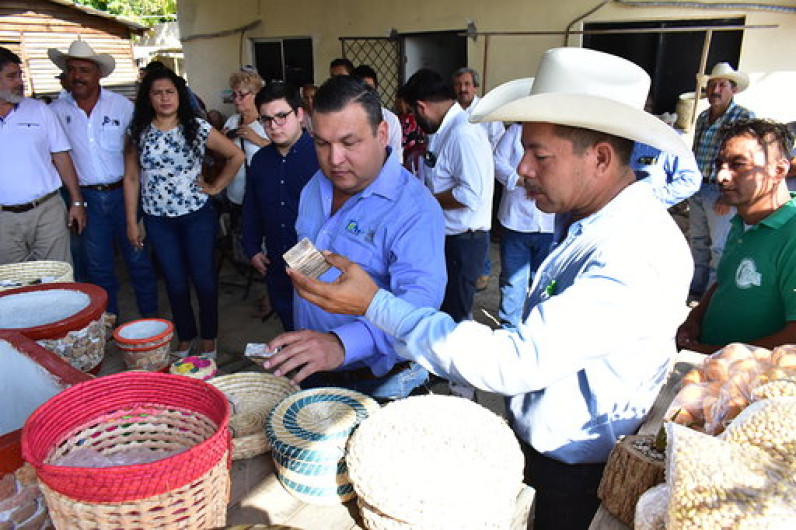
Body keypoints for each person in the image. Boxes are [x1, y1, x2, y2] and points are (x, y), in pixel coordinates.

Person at [282, 48, 693, 529]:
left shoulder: (631, 251)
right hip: (552, 452)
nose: (521, 169)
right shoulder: (587, 223)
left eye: (539, 155)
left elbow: (512, 361)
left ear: (600, 158)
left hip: (578, 471)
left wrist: (373, 303)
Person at [262, 75, 446, 401]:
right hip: (313, 360)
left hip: (378, 382)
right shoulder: (314, 187)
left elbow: (419, 306)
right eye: (321, 143)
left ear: (382, 134)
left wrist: (340, 343)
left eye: (349, 143)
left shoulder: (414, 210)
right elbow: (309, 255)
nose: (334, 160)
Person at [124, 67, 244, 358]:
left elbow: (235, 155)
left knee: (203, 279)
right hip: (157, 219)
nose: (164, 98)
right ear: (148, 98)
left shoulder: (197, 127)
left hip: (196, 216)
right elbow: (131, 178)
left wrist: (216, 187)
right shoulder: (137, 131)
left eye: (170, 91)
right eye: (157, 92)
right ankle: (186, 335)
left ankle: (208, 338)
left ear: (179, 94)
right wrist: (131, 220)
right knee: (175, 282)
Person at [48, 40, 158, 320]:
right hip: (87, 199)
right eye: (72, 69)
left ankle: (151, 322)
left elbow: (138, 153)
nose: (77, 76)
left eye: (84, 70)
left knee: (139, 261)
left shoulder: (121, 106)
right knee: (99, 268)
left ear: (98, 74)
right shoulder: (56, 112)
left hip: (125, 194)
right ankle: (109, 325)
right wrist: (75, 200)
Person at [677, 119, 796, 352]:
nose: (721, 175)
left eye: (738, 164)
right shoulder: (741, 221)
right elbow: (725, 281)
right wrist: (694, 319)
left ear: (779, 171)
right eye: (720, 163)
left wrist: (715, 356)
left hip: (743, 382)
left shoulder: (792, 231)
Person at [397, 68, 493, 324]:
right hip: (449, 238)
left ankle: (454, 364)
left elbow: (471, 194)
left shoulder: (463, 134)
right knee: (444, 310)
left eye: (414, 114)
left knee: (456, 318)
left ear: (421, 107)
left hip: (464, 242)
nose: (415, 122)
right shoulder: (445, 130)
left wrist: (428, 201)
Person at [242, 81, 319, 331]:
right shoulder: (261, 161)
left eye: (281, 117)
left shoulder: (322, 156)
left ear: (299, 114)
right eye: (266, 120)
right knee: (289, 322)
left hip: (314, 256)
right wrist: (252, 247)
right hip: (276, 256)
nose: (273, 127)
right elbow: (252, 207)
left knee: (319, 324)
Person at [0, 46, 86, 265]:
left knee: (57, 277)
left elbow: (61, 157)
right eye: (11, 76)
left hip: (47, 210)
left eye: (20, 75)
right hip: (3, 220)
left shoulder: (39, 110)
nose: (20, 82)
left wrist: (76, 202)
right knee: (14, 286)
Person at [689, 62, 754, 297]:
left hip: (720, 192)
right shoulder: (704, 117)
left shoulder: (743, 117)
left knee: (719, 247)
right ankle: (695, 290)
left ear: (733, 89)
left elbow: (746, 161)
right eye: (711, 85)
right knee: (697, 242)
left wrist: (730, 196)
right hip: (698, 188)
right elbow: (696, 153)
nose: (715, 90)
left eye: (721, 85)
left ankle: (710, 296)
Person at [493, 122, 554, 328]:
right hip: (516, 219)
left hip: (549, 223)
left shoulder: (560, 133)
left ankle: (538, 327)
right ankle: (509, 329)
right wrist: (518, 179)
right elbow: (497, 160)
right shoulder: (515, 131)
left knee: (545, 279)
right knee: (513, 280)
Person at [351, 64, 403, 162]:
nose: (365, 94)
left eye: (370, 88)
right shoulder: (343, 120)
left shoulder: (391, 120)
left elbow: (396, 159)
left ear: (376, 89)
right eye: (360, 89)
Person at [452, 67, 504, 148]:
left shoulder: (487, 109)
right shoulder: (449, 110)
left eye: (467, 84)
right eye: (458, 84)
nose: (462, 89)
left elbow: (498, 141)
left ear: (475, 88)